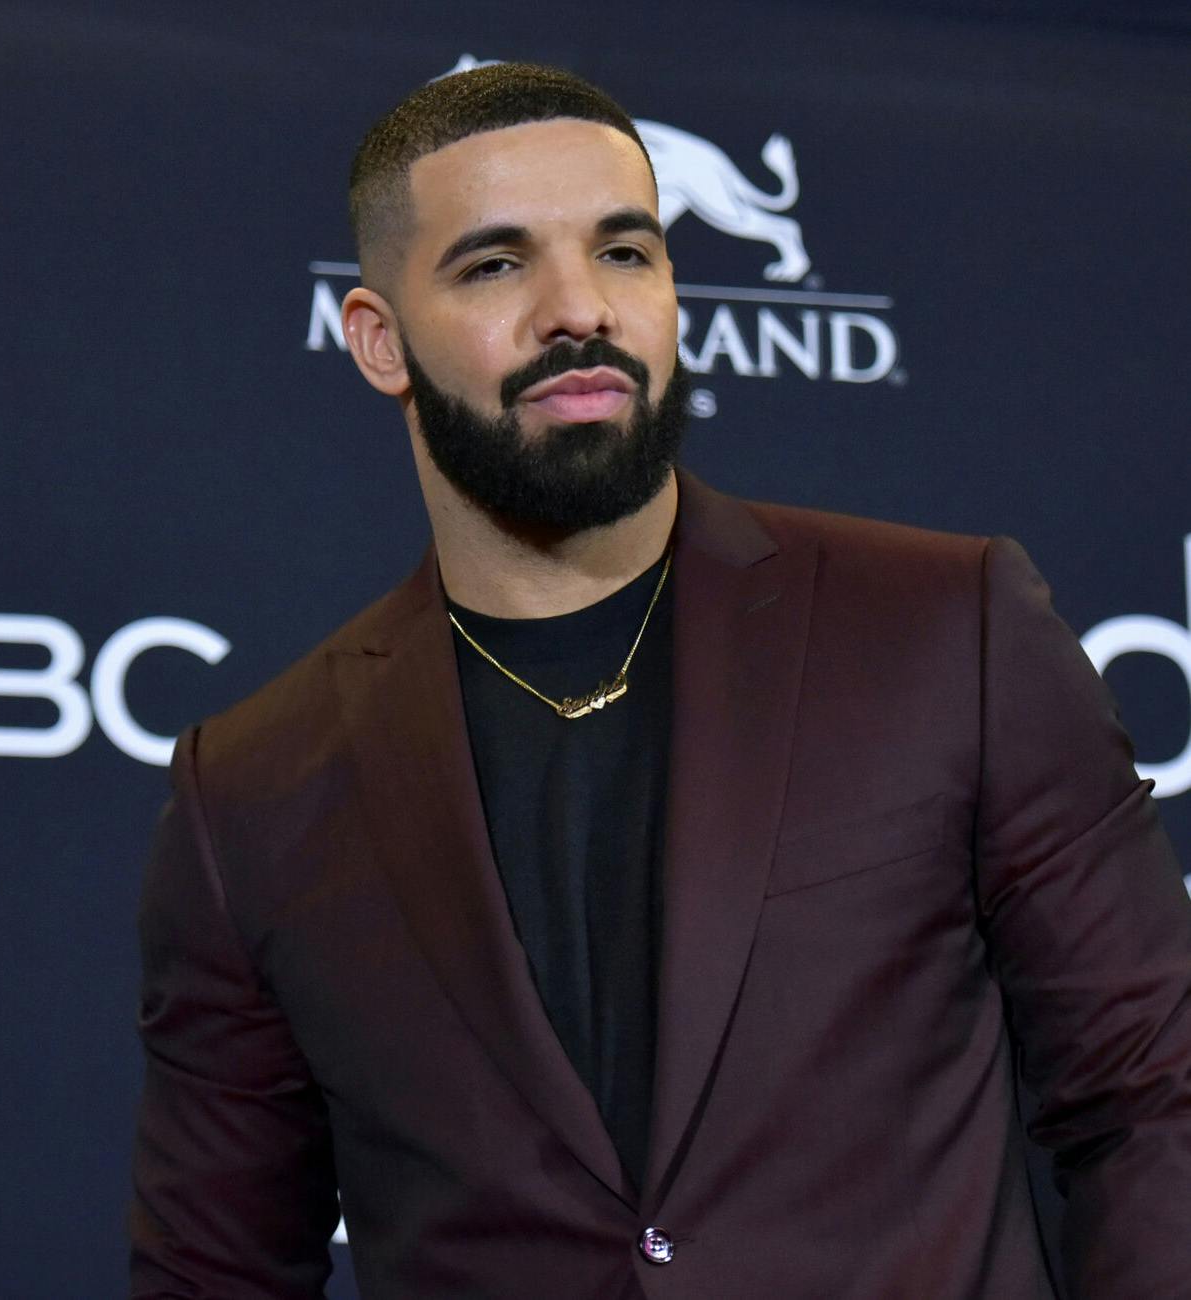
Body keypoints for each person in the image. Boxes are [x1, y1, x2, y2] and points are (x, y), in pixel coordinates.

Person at [128, 62, 1191, 1299]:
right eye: (495, 265)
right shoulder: (252, 789)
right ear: (378, 340)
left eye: (626, 253)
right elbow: (215, 1270)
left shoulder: (947, 632)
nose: (578, 309)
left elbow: (1150, 1096)